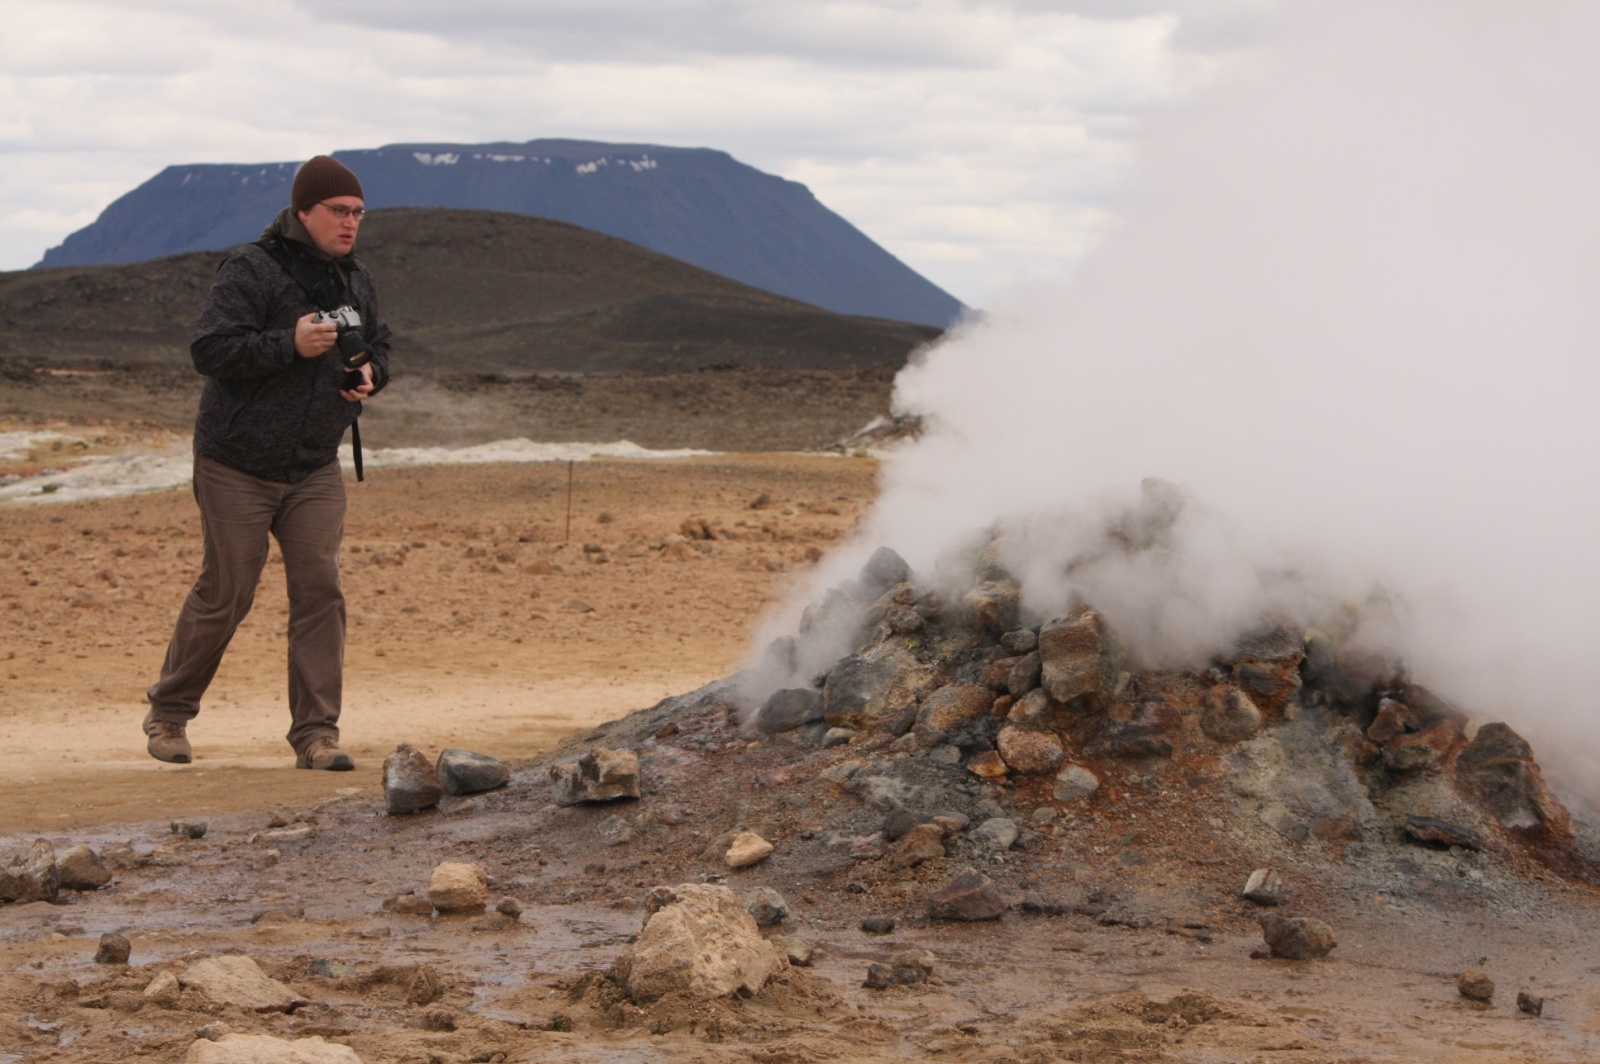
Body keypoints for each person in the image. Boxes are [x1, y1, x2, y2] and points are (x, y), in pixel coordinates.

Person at [142, 154, 391, 770]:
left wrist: (371, 375)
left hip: (312, 465)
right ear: (304, 211)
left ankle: (316, 736)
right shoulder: (252, 267)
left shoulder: (356, 278)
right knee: (228, 590)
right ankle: (169, 716)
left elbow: (380, 344)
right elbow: (209, 348)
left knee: (320, 592)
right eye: (339, 211)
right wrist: (290, 343)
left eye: (358, 213)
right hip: (236, 462)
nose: (350, 223)